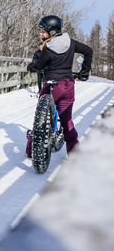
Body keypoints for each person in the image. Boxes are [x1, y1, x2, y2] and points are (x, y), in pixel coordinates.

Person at [25, 15, 93, 156]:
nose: (40, 33)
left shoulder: (48, 48)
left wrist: (31, 67)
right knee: (66, 120)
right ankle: (74, 153)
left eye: (43, 31)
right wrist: (84, 72)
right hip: (68, 86)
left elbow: (39, 65)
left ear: (53, 32)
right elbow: (88, 51)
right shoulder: (71, 43)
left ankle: (31, 151)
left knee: (40, 119)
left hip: (52, 86)